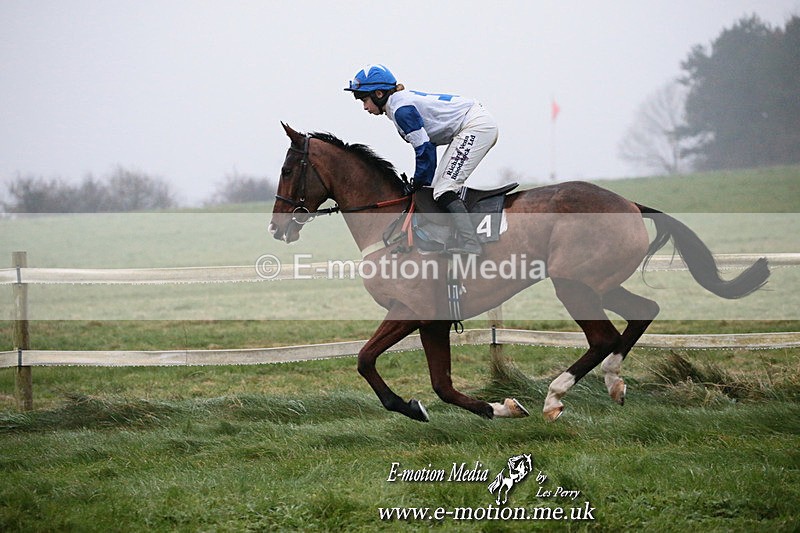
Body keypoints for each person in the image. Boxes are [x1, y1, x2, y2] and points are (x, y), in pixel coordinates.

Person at [344, 64, 498, 255]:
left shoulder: (401, 111)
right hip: (472, 124)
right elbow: (428, 148)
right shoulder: (397, 106)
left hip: (476, 126)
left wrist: (418, 183)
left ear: (379, 93)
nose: (365, 107)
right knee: (435, 189)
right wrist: (421, 182)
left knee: (443, 189)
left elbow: (424, 149)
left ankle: (471, 243)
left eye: (364, 100)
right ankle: (452, 237)